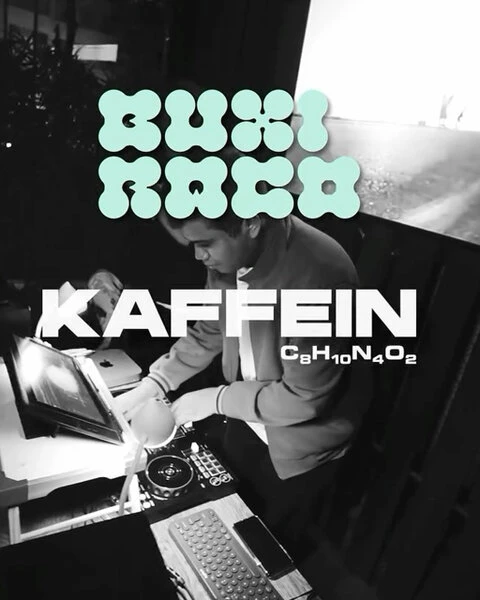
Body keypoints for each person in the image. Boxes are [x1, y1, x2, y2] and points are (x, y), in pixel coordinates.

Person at [117, 172, 362, 561]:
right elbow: (210, 329)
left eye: (204, 244)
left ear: (250, 222)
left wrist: (215, 399)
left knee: (262, 556)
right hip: (242, 416)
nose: (198, 257)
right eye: (191, 245)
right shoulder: (229, 255)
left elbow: (305, 399)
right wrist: (154, 383)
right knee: (220, 529)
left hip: (300, 444)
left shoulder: (321, 275)